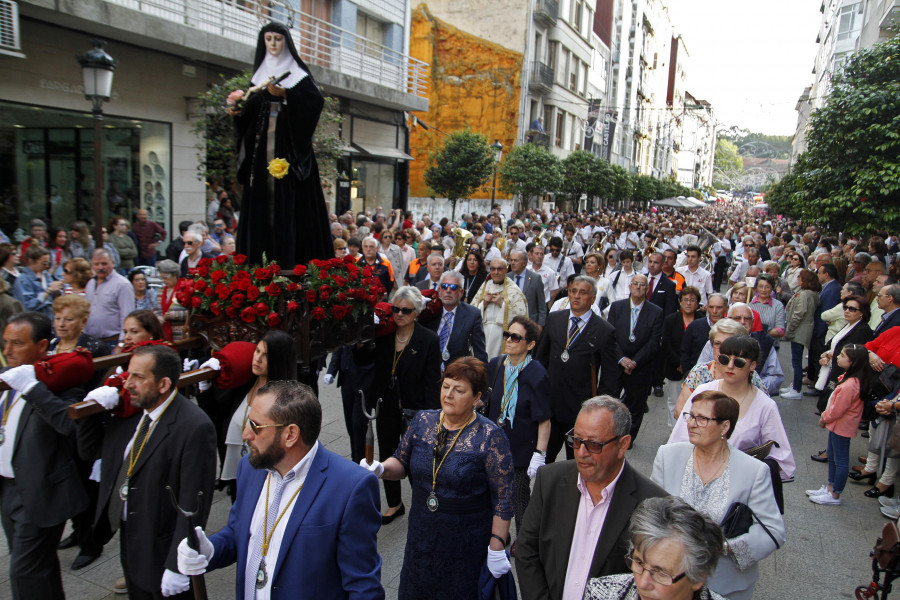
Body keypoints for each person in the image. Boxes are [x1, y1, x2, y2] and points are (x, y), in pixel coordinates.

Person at [177, 379, 383, 598]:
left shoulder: (351, 487)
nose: (246, 434)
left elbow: (363, 588)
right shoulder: (250, 467)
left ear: (290, 434)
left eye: (255, 426)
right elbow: (240, 531)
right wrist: (210, 550)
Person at [360, 357, 514, 600]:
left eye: (459, 390)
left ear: (477, 398)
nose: (448, 395)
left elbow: (504, 498)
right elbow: (401, 461)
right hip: (422, 532)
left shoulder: (490, 437)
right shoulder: (423, 421)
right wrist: (380, 468)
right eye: (445, 386)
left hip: (466, 538)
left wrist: (496, 544)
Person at [76, 345, 217, 599]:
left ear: (163, 384)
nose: (127, 384)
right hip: (131, 536)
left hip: (162, 545)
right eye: (129, 375)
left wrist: (176, 567)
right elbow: (88, 452)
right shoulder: (131, 414)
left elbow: (193, 504)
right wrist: (91, 410)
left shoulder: (194, 426)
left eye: (138, 377)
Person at [516, 396, 667, 600]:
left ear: (623, 444)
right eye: (576, 440)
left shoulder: (653, 503)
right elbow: (527, 549)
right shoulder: (549, 480)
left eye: (594, 444)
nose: (581, 452)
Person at [653, 391, 786, 600]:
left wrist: (726, 549)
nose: (692, 424)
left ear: (725, 426)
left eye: (703, 419)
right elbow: (651, 512)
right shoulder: (668, 456)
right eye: (691, 415)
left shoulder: (753, 471)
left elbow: (773, 531)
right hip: (671, 581)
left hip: (726, 585)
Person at [0, 312, 90, 600]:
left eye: (16, 343)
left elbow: (69, 425)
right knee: (38, 566)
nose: (7, 351)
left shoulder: (58, 379)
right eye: (5, 343)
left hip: (39, 489)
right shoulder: (7, 377)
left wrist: (33, 388)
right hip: (8, 487)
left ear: (41, 346)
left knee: (23, 573)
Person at [232, 22, 332, 266]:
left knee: (289, 205)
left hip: (288, 153)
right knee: (261, 204)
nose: (273, 44)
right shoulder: (258, 76)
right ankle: (258, 263)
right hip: (260, 157)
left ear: (286, 42)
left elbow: (314, 102)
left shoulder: (298, 76)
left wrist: (286, 95)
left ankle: (292, 261)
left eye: (278, 39)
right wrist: (236, 110)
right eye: (268, 39)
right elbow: (249, 115)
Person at [671, 335, 795, 500]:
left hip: (739, 490)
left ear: (752, 365)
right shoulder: (703, 391)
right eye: (724, 359)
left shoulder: (765, 405)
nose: (730, 366)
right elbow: (678, 439)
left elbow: (781, 458)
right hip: (693, 479)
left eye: (739, 362)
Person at [355, 286, 441, 523]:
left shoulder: (428, 339)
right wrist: (361, 342)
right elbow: (362, 360)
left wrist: (432, 415)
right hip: (386, 404)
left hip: (415, 407)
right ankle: (394, 504)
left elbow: (433, 381)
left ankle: (423, 505)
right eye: (395, 309)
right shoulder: (384, 336)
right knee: (387, 453)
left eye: (405, 310)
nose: (399, 314)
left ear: (416, 312)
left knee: (417, 458)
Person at [204, 330, 298, 501]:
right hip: (237, 472)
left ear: (279, 361)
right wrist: (204, 387)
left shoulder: (287, 398)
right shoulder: (245, 383)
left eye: (266, 355)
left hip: (266, 478)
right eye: (257, 351)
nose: (258, 359)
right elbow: (216, 415)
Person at [535, 275, 621, 462]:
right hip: (551, 404)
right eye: (573, 291)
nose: (576, 296)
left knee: (576, 463)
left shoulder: (604, 330)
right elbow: (540, 359)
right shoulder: (555, 318)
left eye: (582, 293)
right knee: (544, 460)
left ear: (592, 298)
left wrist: (602, 410)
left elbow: (609, 376)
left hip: (581, 409)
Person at [583, 496, 728, 600]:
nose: (642, 583)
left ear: (699, 576)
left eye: (661, 573)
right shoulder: (601, 593)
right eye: (639, 562)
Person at [484, 316, 551, 535]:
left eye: (516, 337)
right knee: (492, 493)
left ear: (530, 344)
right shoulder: (495, 365)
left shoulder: (537, 373)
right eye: (507, 335)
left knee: (520, 496)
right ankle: (499, 535)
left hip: (522, 447)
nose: (509, 340)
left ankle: (525, 541)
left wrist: (539, 453)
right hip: (494, 445)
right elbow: (485, 400)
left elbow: (544, 419)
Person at [808, 344, 870, 505]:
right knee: (833, 456)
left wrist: (824, 418)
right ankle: (830, 486)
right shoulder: (851, 379)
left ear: (853, 362)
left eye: (843, 356)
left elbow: (837, 410)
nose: (838, 357)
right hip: (838, 425)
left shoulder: (850, 385)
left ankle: (835, 493)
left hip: (842, 426)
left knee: (840, 460)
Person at [608, 274, 664, 442]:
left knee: (636, 404)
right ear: (630, 287)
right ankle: (610, 433)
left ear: (647, 289)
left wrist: (635, 361)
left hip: (641, 365)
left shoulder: (656, 312)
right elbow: (611, 336)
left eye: (642, 285)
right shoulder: (617, 307)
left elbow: (654, 342)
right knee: (611, 401)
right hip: (617, 363)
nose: (639, 287)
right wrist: (621, 359)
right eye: (636, 284)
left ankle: (628, 437)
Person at [423, 270, 488, 369]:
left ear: (461, 292)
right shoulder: (429, 310)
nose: (448, 290)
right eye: (444, 286)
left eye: (453, 287)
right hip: (428, 369)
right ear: (439, 290)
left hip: (457, 372)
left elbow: (480, 352)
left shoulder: (472, 315)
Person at [473, 257, 529, 359]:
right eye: (493, 269)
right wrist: (484, 304)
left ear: (506, 270)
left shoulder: (513, 289)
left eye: (500, 269)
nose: (496, 272)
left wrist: (502, 304)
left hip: (501, 334)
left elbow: (521, 316)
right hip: (482, 331)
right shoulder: (485, 286)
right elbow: (472, 309)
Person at [662, 286, 701, 429]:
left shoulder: (701, 321)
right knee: (674, 399)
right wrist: (678, 363)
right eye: (685, 300)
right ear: (680, 302)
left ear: (697, 303)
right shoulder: (671, 319)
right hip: (674, 367)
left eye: (692, 300)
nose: (689, 303)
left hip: (695, 367)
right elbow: (665, 343)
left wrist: (689, 366)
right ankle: (673, 429)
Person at [780, 269, 821, 399]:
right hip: (803, 328)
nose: (798, 279)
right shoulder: (811, 293)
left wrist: (790, 329)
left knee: (796, 361)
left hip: (799, 330)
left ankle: (797, 389)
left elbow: (799, 313)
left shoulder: (805, 294)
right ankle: (794, 385)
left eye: (800, 277)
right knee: (796, 360)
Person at [84, 249, 136, 350]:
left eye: (104, 263)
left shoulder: (122, 285)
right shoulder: (90, 283)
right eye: (96, 264)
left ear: (113, 263)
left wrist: (121, 344)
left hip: (112, 342)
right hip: (91, 341)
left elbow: (127, 315)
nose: (100, 267)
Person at [679, 294, 727, 374]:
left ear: (726, 308)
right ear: (707, 307)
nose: (714, 311)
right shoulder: (695, 325)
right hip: (695, 375)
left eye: (719, 307)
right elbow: (685, 350)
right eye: (711, 307)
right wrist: (687, 372)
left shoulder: (731, 329)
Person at [13, 245, 63, 319]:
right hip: (33, 321)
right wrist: (48, 291)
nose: (46, 266)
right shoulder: (23, 280)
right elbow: (28, 306)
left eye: (48, 263)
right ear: (31, 261)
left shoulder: (46, 274)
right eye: (43, 263)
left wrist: (57, 290)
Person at [509, 250, 547, 326]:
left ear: (524, 263)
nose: (512, 263)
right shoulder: (507, 278)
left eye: (516, 260)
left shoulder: (535, 279)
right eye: (511, 260)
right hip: (510, 322)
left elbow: (542, 306)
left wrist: (540, 325)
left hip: (530, 323)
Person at [156, 259, 187, 342]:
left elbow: (193, 313)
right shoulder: (161, 290)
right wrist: (158, 317)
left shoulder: (184, 289)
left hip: (181, 335)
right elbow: (156, 309)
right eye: (161, 278)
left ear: (175, 274)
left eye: (165, 278)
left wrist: (176, 315)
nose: (163, 280)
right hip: (164, 333)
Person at [749, 273, 786, 340]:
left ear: (772, 288)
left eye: (767, 287)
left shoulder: (778, 305)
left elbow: (780, 330)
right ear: (756, 287)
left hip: (770, 343)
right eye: (760, 286)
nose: (763, 290)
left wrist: (761, 333)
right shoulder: (749, 302)